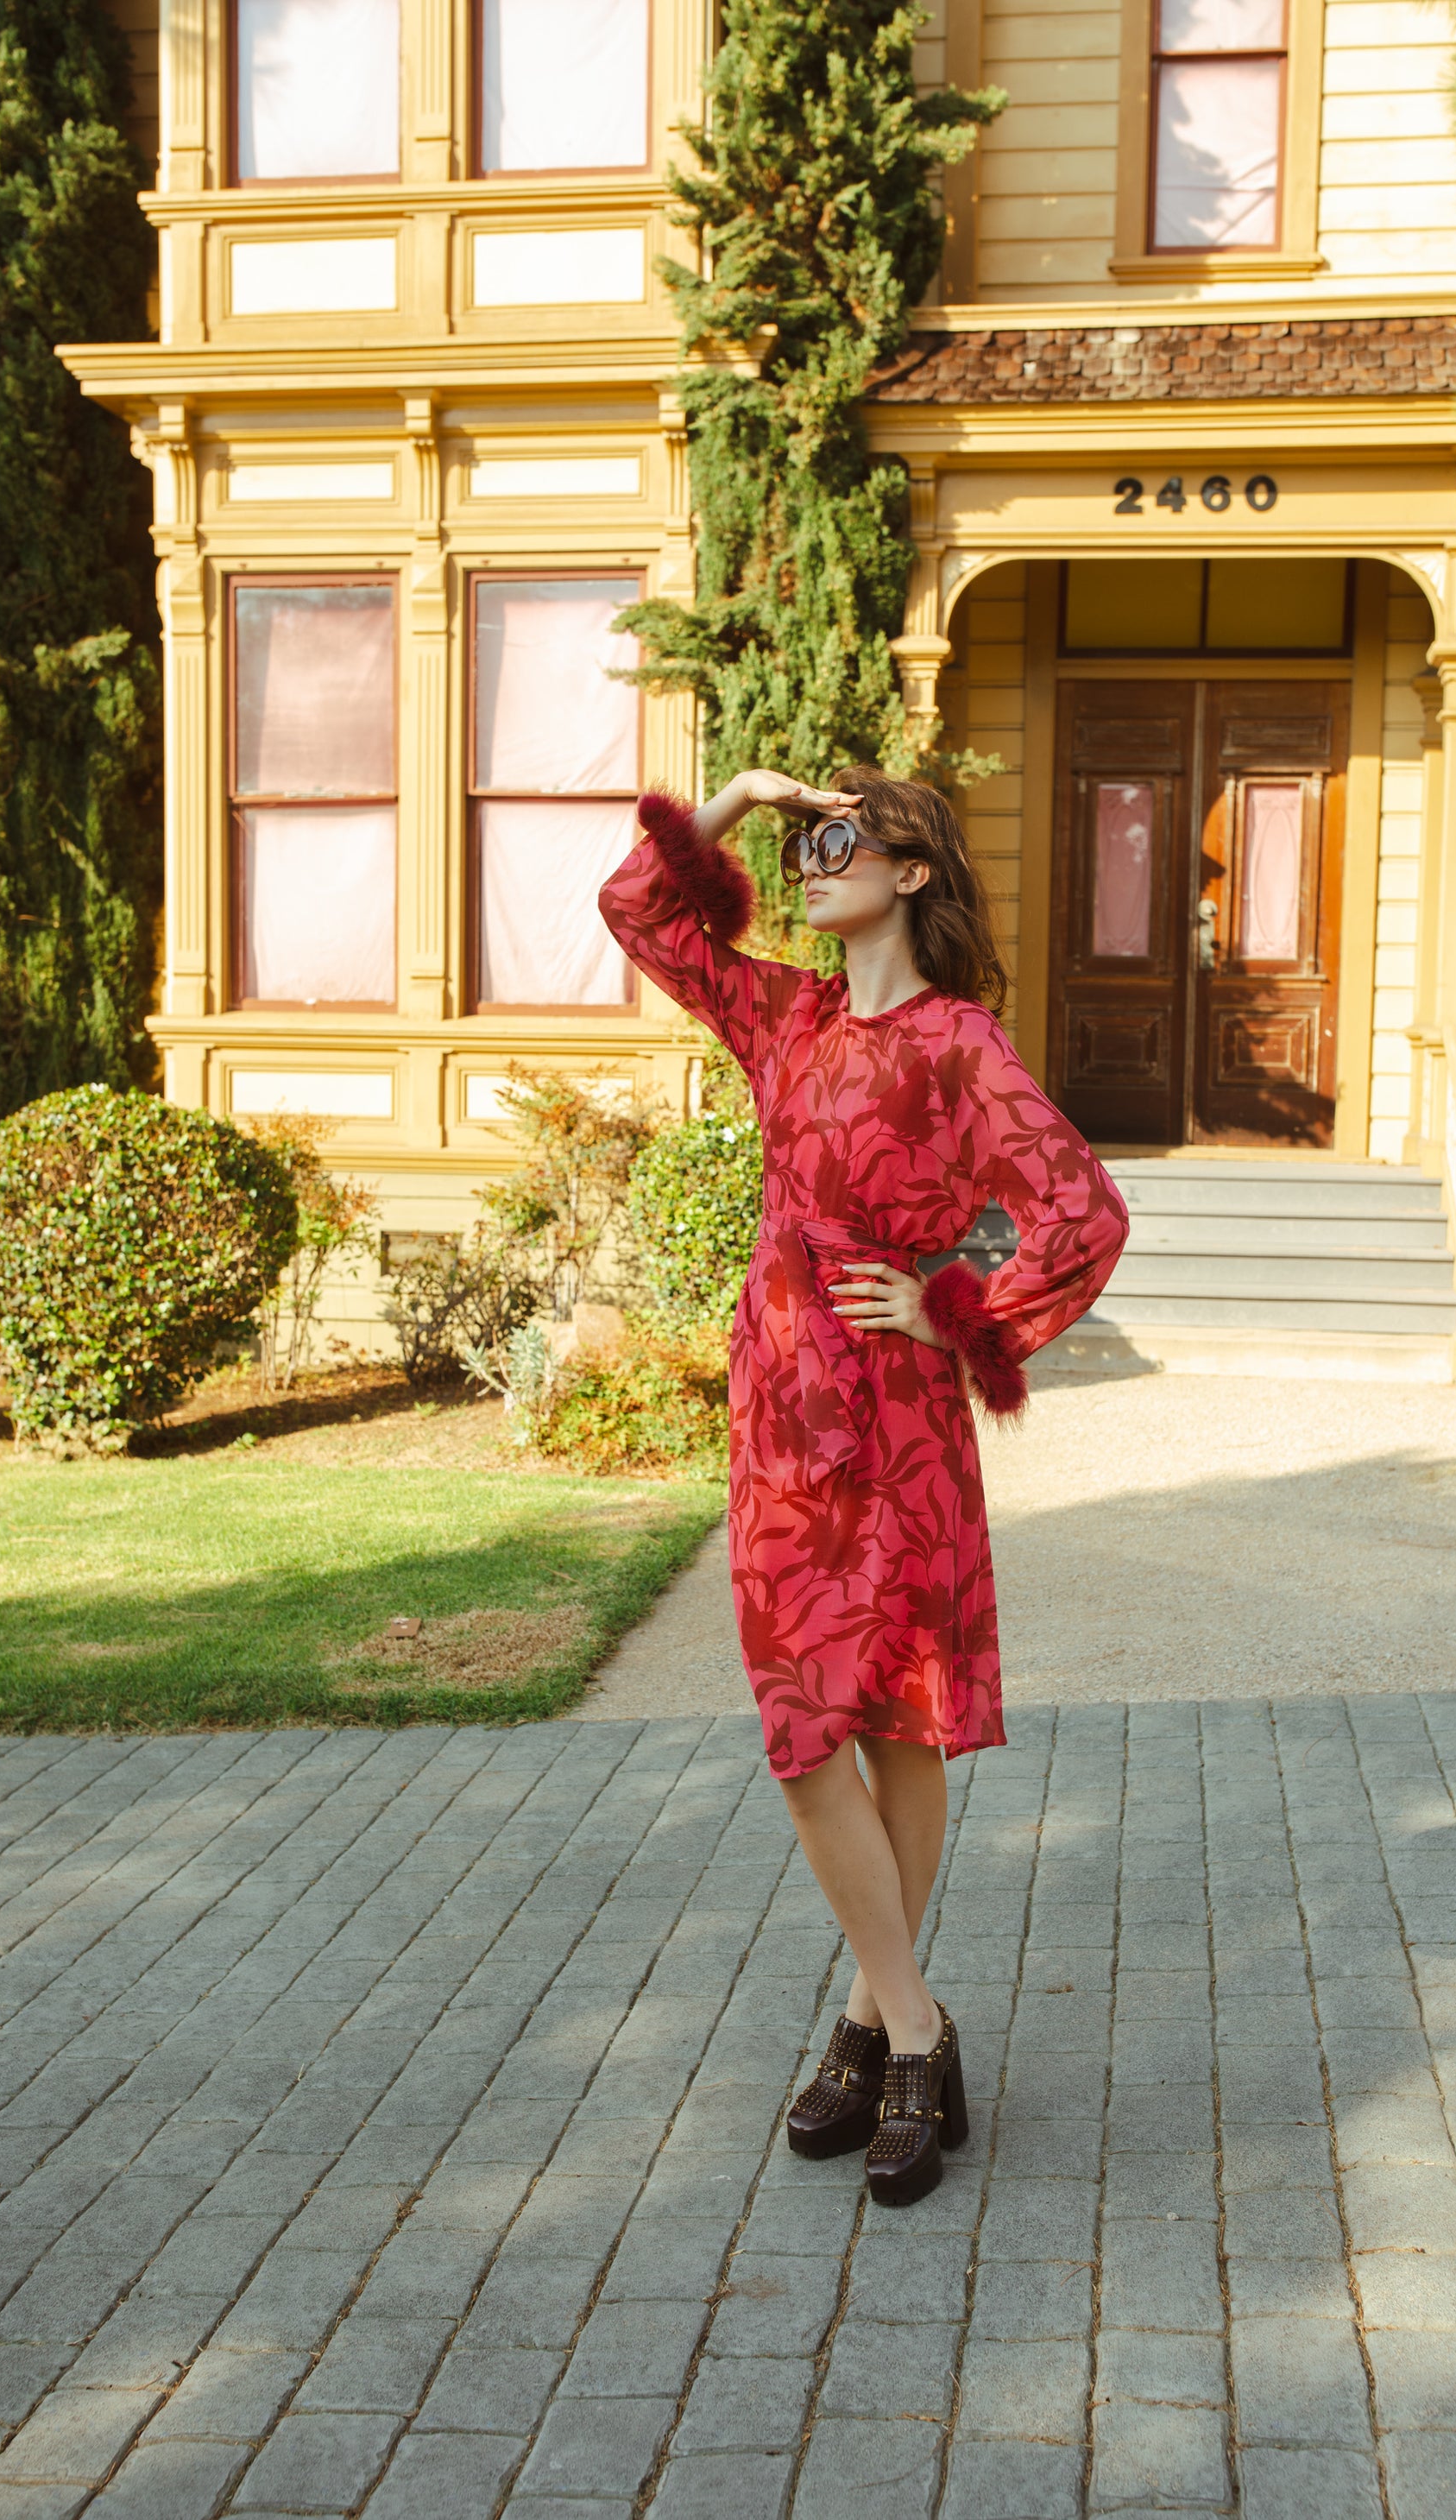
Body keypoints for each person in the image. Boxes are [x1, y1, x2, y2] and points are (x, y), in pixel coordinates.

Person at [598, 766, 1128, 2206]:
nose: (811, 859)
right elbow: (639, 904)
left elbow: (1080, 1212)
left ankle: (875, 2029)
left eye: (841, 841)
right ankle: (910, 2022)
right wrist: (740, 792)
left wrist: (959, 1306)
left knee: (891, 1720)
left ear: (909, 874)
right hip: (777, 1410)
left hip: (895, 1421)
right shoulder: (783, 1016)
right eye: (805, 841)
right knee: (798, 1731)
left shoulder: (958, 1044)